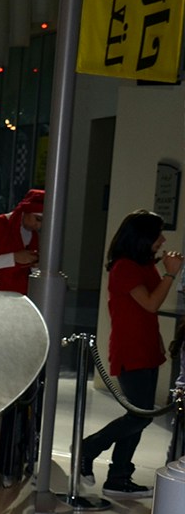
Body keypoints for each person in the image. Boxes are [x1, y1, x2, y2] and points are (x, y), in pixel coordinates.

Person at [78, 210, 183, 498]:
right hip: (131, 349)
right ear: (142, 237)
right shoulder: (124, 267)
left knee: (138, 414)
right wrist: (170, 273)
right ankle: (88, 448)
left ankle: (119, 477)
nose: (162, 240)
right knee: (140, 416)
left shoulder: (143, 264)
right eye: (157, 235)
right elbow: (150, 303)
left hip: (146, 347)